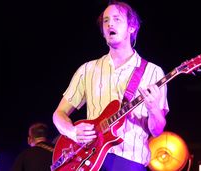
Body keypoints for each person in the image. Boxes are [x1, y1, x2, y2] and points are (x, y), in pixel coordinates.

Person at [52, 1, 169, 171]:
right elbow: (59, 114)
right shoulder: (87, 70)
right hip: (89, 160)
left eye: (116, 19)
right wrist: (72, 132)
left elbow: (157, 131)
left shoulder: (153, 72)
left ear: (132, 27)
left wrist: (153, 109)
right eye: (106, 21)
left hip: (129, 162)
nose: (110, 24)